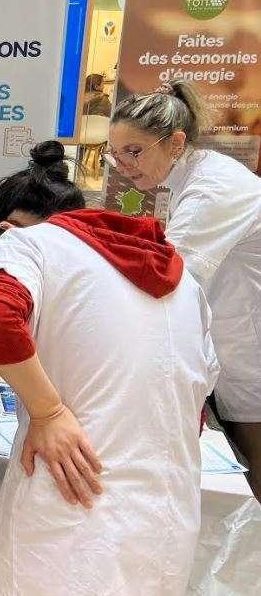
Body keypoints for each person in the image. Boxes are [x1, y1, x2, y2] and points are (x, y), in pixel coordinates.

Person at [0, 141, 218, 595]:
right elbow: (198, 391)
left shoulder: (27, 245)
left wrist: (47, 412)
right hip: (165, 517)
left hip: (69, 506)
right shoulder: (184, 281)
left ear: (5, 229)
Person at [109, 80, 261, 502]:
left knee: (251, 475)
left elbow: (169, 274)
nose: (124, 166)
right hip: (231, 344)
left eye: (134, 152)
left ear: (175, 142)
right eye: (116, 154)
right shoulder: (192, 177)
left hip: (249, 352)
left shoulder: (214, 188)